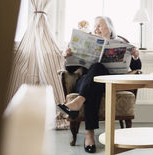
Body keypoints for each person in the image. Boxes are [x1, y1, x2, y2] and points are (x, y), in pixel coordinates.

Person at [57, 16, 141, 153]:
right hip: (84, 82)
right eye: (95, 26)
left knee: (97, 74)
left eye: (100, 26)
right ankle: (87, 129)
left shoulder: (120, 43)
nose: (96, 29)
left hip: (109, 84)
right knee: (95, 72)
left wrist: (136, 56)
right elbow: (70, 70)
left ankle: (84, 120)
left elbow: (136, 67)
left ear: (110, 28)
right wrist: (67, 57)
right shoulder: (87, 43)